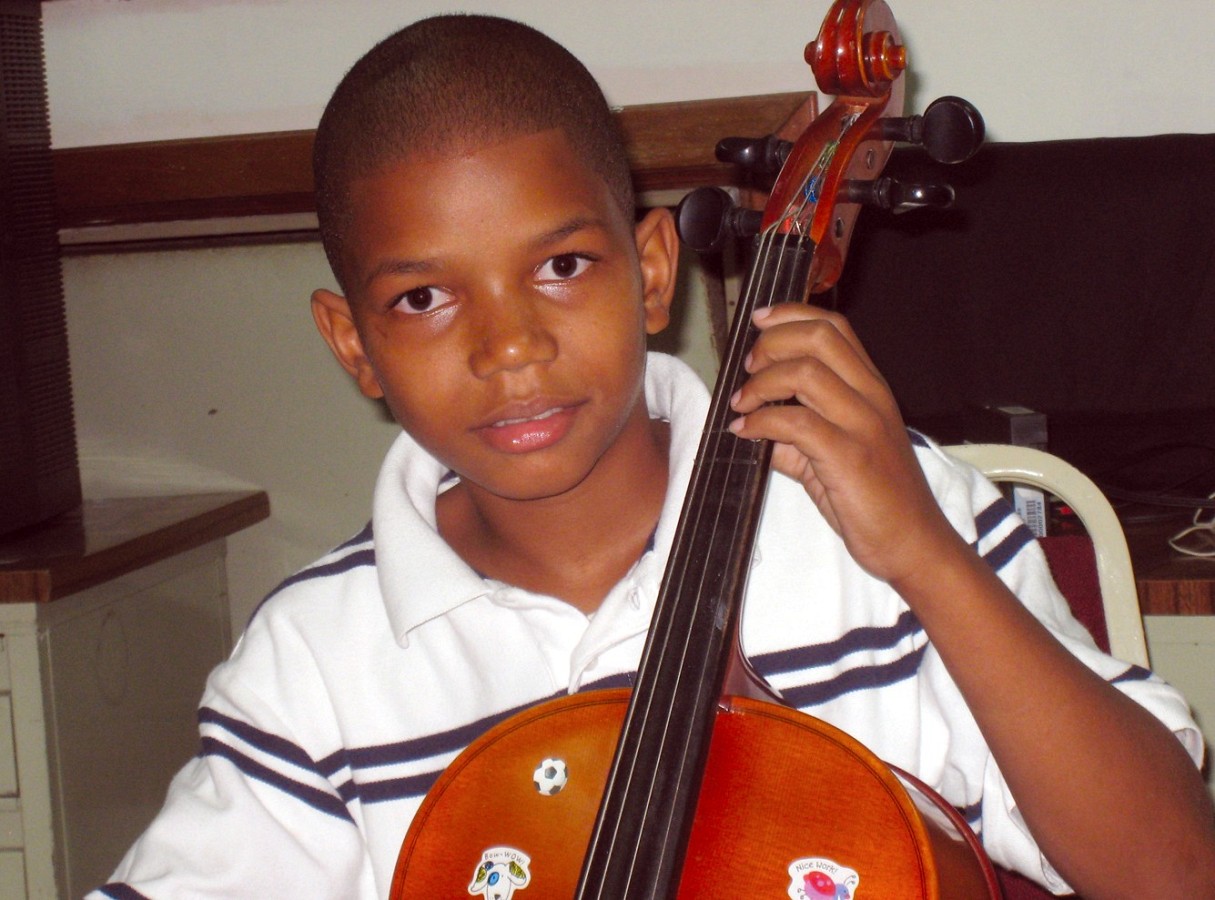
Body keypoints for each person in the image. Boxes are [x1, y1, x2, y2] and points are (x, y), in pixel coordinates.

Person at [94, 13, 1215, 899]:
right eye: (426, 297)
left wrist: (925, 556)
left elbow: (1171, 874)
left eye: (562, 267)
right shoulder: (316, 668)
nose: (510, 346)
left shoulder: (884, 521)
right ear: (354, 344)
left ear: (655, 270)